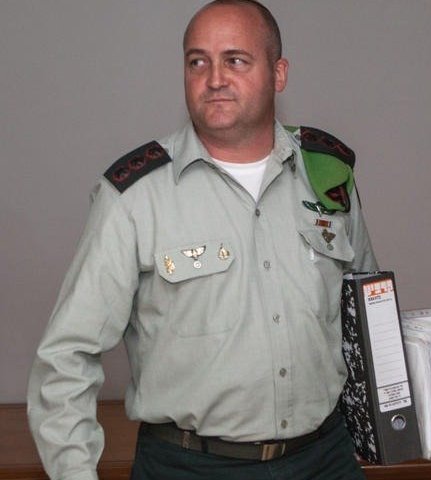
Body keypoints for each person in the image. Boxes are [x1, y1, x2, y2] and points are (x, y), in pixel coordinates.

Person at [26, 1, 377, 479]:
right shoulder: (135, 196)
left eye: (235, 60)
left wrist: (389, 427)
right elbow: (66, 356)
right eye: (198, 62)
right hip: (189, 465)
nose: (214, 79)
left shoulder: (328, 176)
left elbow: (367, 318)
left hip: (324, 460)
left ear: (278, 73)